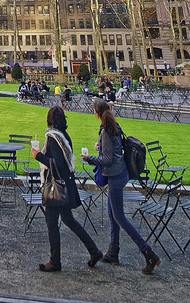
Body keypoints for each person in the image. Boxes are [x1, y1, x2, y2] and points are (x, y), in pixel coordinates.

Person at [83, 99, 161, 274]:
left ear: (96, 113)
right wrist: (101, 147)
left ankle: (148, 253)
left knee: (119, 217)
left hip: (116, 176)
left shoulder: (105, 131)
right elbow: (114, 149)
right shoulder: (113, 126)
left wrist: (89, 159)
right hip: (121, 173)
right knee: (113, 214)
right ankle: (113, 251)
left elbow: (107, 160)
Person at [31, 106, 103, 272]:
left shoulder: (52, 138)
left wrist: (38, 156)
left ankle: (55, 261)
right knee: (69, 220)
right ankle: (94, 251)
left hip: (56, 187)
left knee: (52, 224)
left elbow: (57, 163)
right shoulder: (64, 137)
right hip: (66, 184)